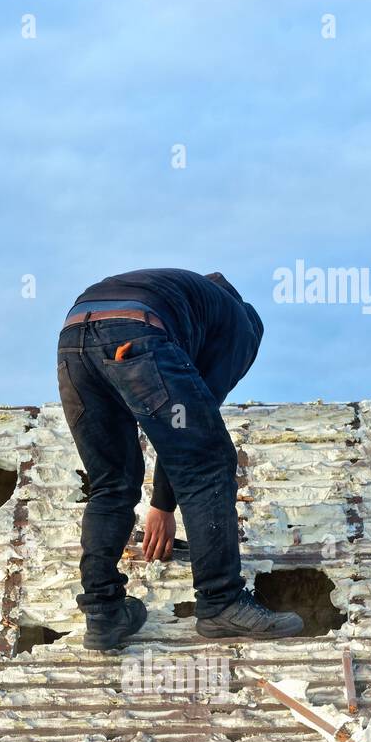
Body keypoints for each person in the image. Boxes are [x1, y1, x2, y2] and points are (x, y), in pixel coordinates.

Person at [56, 268, 302, 650]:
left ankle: (103, 612)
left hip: (74, 340)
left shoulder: (182, 296)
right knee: (209, 463)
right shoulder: (239, 325)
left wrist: (160, 502)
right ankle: (221, 602)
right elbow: (191, 433)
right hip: (135, 332)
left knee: (112, 482)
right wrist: (163, 506)